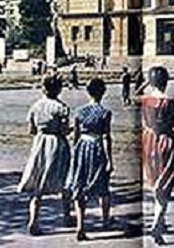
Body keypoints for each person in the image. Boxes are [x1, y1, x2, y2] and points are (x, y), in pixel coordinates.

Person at [139, 66, 174, 244]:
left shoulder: (144, 100)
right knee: (166, 184)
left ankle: (159, 217)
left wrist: (147, 84)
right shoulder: (172, 101)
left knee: (154, 178)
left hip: (149, 141)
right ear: (166, 82)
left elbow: (135, 93)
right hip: (167, 141)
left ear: (151, 82)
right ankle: (157, 223)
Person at [17, 74, 72, 236]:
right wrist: (73, 129)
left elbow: (32, 130)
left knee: (39, 182)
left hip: (40, 143)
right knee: (64, 179)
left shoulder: (35, 106)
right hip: (57, 143)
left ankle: (34, 220)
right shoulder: (61, 107)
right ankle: (67, 216)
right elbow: (64, 130)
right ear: (59, 89)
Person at [65, 78, 114, 241]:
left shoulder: (79, 111)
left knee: (80, 186)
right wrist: (110, 160)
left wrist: (75, 154)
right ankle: (105, 220)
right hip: (97, 147)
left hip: (82, 148)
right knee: (103, 185)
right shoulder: (105, 113)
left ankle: (80, 226)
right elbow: (106, 137)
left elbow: (76, 136)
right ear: (103, 92)